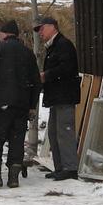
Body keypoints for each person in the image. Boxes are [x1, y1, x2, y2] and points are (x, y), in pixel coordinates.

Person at [0, 20, 41, 189]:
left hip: (0, 103)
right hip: (21, 105)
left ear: (4, 34)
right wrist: (32, 105)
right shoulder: (28, 53)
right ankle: (14, 178)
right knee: (17, 139)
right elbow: (36, 81)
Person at [35, 17, 80, 181]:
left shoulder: (63, 45)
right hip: (56, 97)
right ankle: (60, 166)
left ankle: (70, 168)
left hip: (64, 95)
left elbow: (66, 68)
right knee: (54, 133)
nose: (40, 33)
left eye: (42, 29)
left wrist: (46, 75)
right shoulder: (54, 47)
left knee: (64, 132)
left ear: (52, 27)